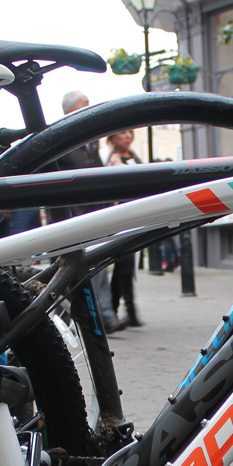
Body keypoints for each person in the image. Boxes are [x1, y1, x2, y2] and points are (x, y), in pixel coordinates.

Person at [48, 91, 125, 333]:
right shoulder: (60, 139)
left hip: (92, 214)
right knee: (69, 267)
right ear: (71, 110)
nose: (88, 107)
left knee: (96, 264)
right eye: (84, 104)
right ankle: (69, 317)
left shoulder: (89, 142)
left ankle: (104, 317)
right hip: (72, 215)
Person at [105, 130, 142, 327]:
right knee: (123, 265)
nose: (127, 136)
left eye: (129, 133)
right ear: (111, 137)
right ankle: (124, 311)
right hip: (119, 219)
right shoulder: (109, 158)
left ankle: (117, 310)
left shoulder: (135, 157)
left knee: (125, 266)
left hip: (136, 218)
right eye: (122, 133)